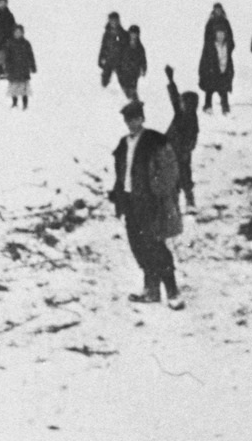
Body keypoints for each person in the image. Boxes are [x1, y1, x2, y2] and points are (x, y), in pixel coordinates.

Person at [109, 100, 185, 307]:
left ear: (142, 119)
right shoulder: (124, 144)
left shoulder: (155, 140)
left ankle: (172, 291)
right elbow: (121, 172)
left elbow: (170, 172)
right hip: (130, 202)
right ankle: (151, 289)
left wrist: (158, 194)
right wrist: (118, 196)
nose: (132, 123)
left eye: (135, 119)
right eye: (128, 120)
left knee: (156, 245)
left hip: (151, 203)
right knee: (138, 246)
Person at [164, 65, 200, 208]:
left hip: (181, 156)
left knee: (185, 179)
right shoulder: (181, 113)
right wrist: (171, 79)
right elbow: (174, 97)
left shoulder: (191, 120)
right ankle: (176, 204)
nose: (180, 103)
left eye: (183, 102)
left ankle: (190, 202)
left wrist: (185, 151)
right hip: (172, 153)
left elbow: (192, 141)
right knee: (174, 180)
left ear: (190, 105)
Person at [198, 21, 234, 114]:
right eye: (218, 34)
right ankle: (208, 107)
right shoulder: (210, 46)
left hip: (224, 73)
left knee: (224, 92)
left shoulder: (227, 46)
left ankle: (225, 110)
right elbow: (204, 61)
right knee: (209, 90)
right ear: (215, 35)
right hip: (212, 73)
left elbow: (229, 60)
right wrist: (203, 73)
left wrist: (230, 72)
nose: (220, 36)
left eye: (222, 34)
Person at [4, 24, 36, 110]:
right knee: (14, 88)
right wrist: (7, 67)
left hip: (23, 69)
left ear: (22, 33)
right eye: (16, 32)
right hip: (13, 69)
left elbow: (30, 55)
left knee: (24, 88)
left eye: (19, 32)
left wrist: (32, 66)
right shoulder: (10, 43)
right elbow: (7, 57)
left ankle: (25, 104)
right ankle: (14, 103)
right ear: (13, 33)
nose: (18, 34)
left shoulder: (26, 43)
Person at [98, 12, 129, 89]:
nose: (114, 23)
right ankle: (104, 91)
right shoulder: (107, 34)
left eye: (115, 20)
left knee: (124, 82)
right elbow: (103, 47)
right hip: (109, 60)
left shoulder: (124, 34)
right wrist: (101, 58)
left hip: (120, 61)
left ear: (118, 21)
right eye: (112, 20)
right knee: (104, 81)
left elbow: (127, 48)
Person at [120, 24, 148, 101]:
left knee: (133, 88)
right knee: (125, 87)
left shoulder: (140, 47)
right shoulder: (124, 44)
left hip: (135, 71)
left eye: (135, 34)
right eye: (132, 33)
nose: (133, 35)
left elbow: (143, 59)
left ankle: (133, 100)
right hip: (125, 70)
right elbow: (120, 55)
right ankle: (129, 99)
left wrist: (144, 69)